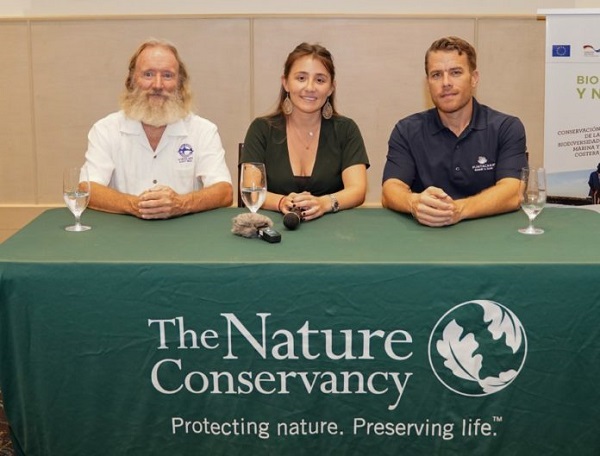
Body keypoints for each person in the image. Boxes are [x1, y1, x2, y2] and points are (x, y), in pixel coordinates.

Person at [382, 36, 528, 227]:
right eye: (436, 75)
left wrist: (458, 210)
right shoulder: (406, 130)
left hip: (492, 239)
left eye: (456, 72)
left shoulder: (506, 127)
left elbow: (513, 192)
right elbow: (390, 190)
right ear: (427, 83)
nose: (446, 83)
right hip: (426, 237)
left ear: (474, 78)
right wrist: (414, 203)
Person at [83, 38, 233, 219]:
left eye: (167, 75)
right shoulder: (105, 129)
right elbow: (87, 189)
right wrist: (136, 205)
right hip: (123, 236)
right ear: (131, 80)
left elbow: (224, 191)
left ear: (180, 83)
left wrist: (181, 204)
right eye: (148, 74)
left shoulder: (203, 130)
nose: (158, 85)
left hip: (186, 236)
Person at [240, 42, 369, 222]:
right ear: (285, 82)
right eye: (301, 78)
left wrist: (323, 203)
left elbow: (357, 190)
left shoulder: (346, 130)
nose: (310, 87)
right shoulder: (261, 129)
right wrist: (281, 202)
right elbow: (250, 188)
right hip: (273, 229)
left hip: (335, 233)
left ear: (331, 87)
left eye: (320, 80)